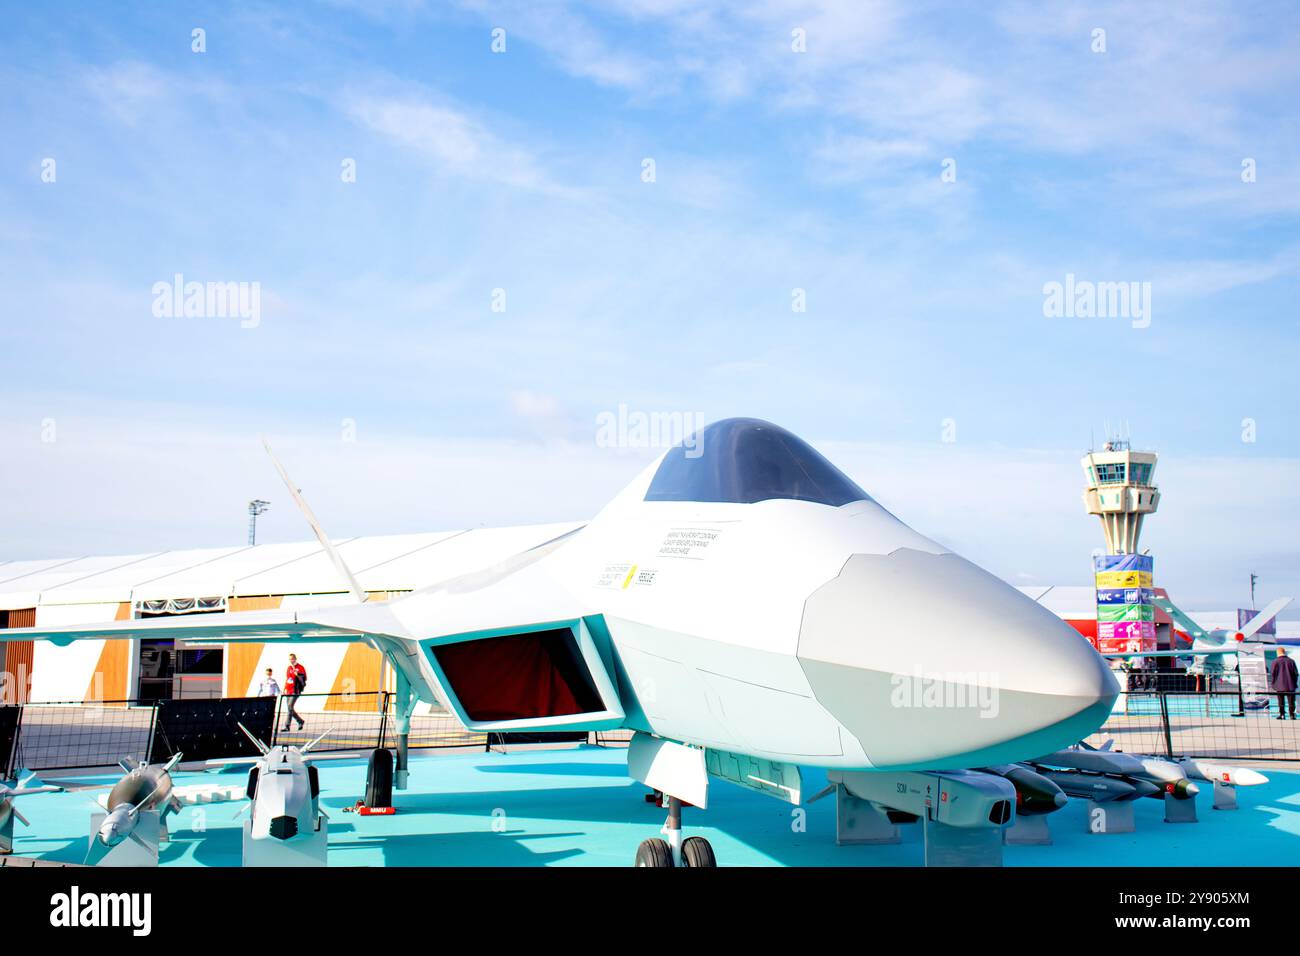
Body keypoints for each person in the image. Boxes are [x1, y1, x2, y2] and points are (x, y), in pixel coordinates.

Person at [1270, 647, 1297, 720]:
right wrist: (1294, 682)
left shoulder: (1275, 661)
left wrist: (1273, 683)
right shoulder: (1291, 661)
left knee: (1281, 701)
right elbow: (1295, 673)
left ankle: (1282, 714)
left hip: (1279, 684)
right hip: (1290, 684)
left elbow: (1273, 673)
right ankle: (1292, 715)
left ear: (1278, 652)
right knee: (1291, 701)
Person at [283, 653, 307, 731]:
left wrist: (298, 674)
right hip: (288, 690)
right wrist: (284, 688)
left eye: (292, 659)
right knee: (290, 708)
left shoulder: (300, 667)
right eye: (290, 659)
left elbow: (304, 678)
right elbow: (288, 678)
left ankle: (287, 725)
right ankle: (300, 721)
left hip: (295, 690)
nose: (291, 660)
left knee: (290, 707)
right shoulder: (289, 667)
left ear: (295, 658)